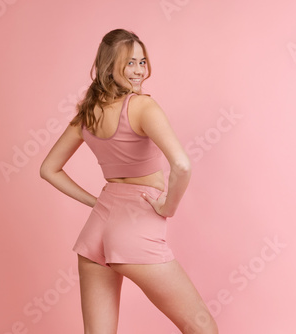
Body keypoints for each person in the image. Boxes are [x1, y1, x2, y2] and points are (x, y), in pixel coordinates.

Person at [40, 29, 218, 334]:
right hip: (135, 230)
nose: (139, 70)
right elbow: (182, 165)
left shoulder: (88, 114)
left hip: (96, 232)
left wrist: (96, 203)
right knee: (204, 328)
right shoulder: (143, 106)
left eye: (142, 61)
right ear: (109, 67)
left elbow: (48, 169)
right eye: (129, 63)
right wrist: (167, 207)